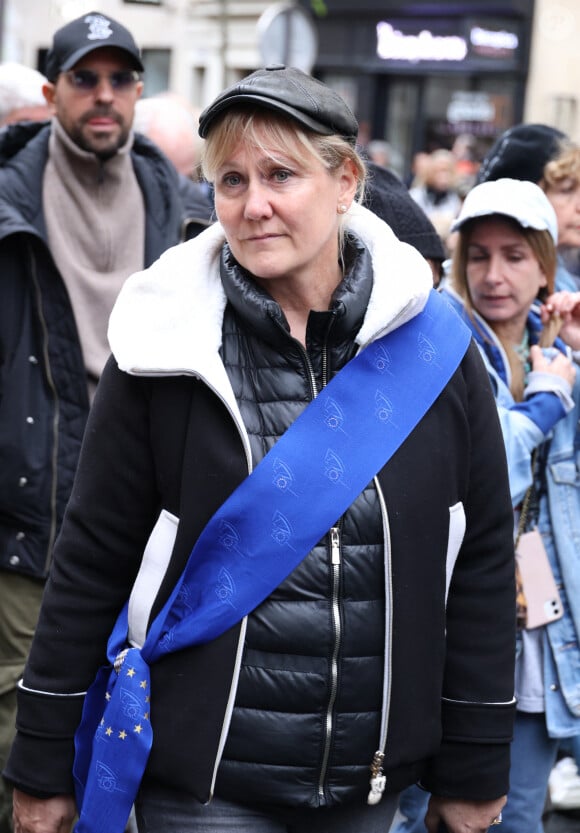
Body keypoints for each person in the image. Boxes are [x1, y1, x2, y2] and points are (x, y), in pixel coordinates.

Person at [5, 65, 515, 833]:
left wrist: (476, 758)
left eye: (281, 174)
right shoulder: (162, 345)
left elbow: (478, 563)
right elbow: (91, 558)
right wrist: (43, 757)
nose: (254, 205)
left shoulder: (436, 346)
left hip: (367, 785)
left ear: (346, 181)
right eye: (232, 180)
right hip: (202, 785)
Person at [0, 10, 212, 833]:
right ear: (53, 91)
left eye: (120, 79)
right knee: (27, 758)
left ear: (139, 91)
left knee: (136, 756)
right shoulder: (10, 203)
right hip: (30, 523)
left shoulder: (186, 211)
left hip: (153, 535)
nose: (104, 96)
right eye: (85, 79)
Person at [393, 178, 580, 833]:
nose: (494, 275)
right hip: (449, 615)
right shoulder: (440, 340)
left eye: (514, 255)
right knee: (418, 810)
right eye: (479, 255)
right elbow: (486, 472)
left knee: (516, 809)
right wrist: (547, 402)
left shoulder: (555, 345)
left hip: (538, 619)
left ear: (545, 264)